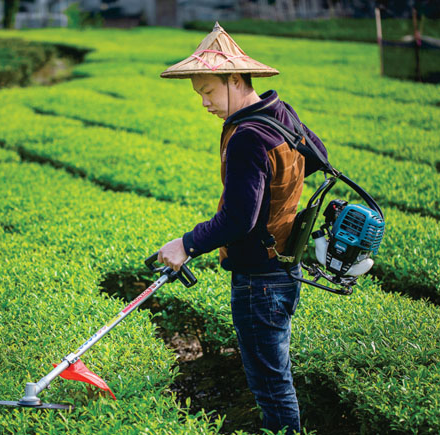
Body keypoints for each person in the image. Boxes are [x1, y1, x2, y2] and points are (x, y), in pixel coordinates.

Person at [157, 22, 327, 434]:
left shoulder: (247, 136)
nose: (204, 103)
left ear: (235, 79)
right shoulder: (278, 113)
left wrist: (187, 243)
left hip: (259, 280)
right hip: (285, 267)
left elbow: (239, 219)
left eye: (209, 91)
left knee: (271, 386)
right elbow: (319, 156)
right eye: (199, 94)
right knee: (276, 374)